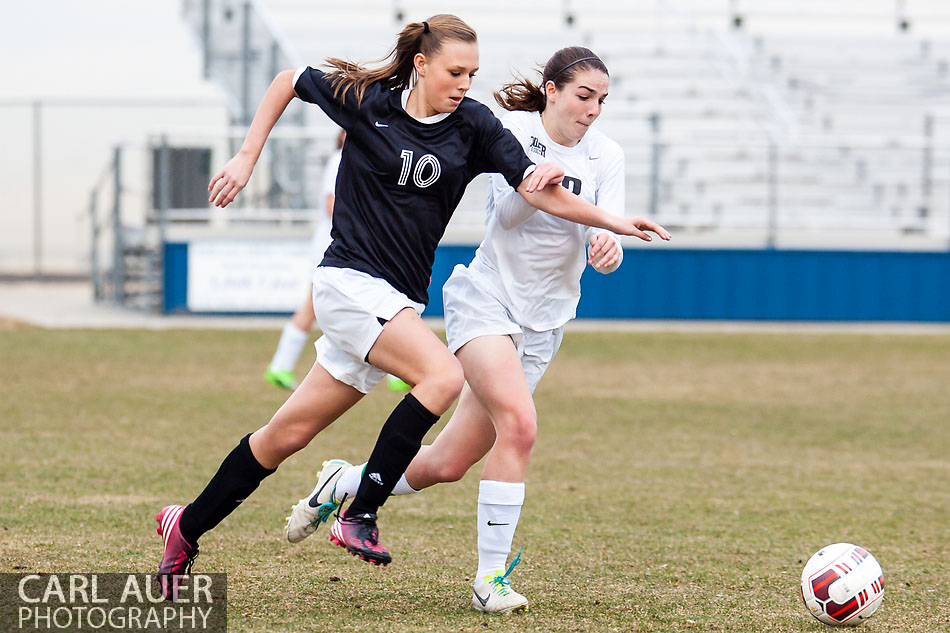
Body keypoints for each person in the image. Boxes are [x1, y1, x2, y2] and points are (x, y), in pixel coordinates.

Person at [155, 16, 657, 599]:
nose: (465, 83)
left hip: (396, 301)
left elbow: (536, 190)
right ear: (421, 65)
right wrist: (246, 156)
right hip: (346, 283)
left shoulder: (474, 125)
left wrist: (614, 223)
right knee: (441, 374)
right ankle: (359, 513)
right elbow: (289, 80)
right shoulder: (368, 100)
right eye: (454, 71)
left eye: (472, 73)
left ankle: (184, 527)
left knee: (284, 434)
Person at [286, 46, 671, 613]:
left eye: (602, 101)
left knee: (446, 464)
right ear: (552, 90)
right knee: (520, 425)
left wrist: (607, 247)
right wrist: (540, 180)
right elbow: (510, 213)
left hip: (546, 320)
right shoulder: (508, 130)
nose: (592, 111)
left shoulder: (607, 154)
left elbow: (603, 239)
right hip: (485, 302)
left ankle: (345, 483)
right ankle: (490, 580)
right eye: (583, 97)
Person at [265, 129, 345, 391]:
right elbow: (330, 205)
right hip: (331, 246)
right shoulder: (340, 160)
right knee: (310, 308)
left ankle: (394, 372)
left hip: (341, 245)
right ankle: (280, 366)